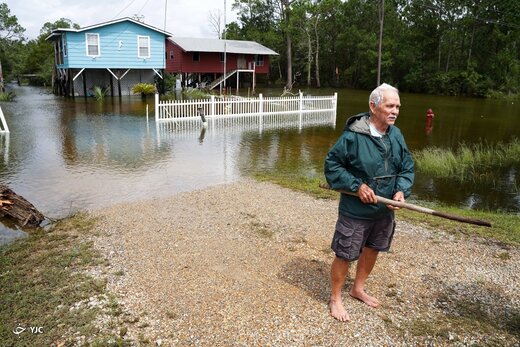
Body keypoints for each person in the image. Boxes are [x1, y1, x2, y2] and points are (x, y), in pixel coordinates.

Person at [324, 83, 414, 322]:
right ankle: (335, 298)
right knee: (345, 253)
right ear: (373, 107)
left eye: (397, 106)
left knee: (373, 248)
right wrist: (357, 186)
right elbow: (332, 166)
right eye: (389, 106)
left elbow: (406, 168)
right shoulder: (353, 135)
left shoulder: (396, 135)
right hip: (355, 211)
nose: (394, 111)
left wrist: (401, 192)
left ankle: (357, 289)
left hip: (383, 211)